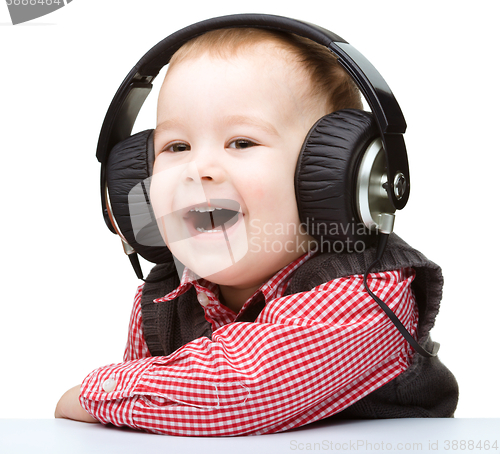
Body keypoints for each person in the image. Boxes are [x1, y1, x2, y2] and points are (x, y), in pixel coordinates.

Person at [55, 26, 458, 436]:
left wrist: (93, 393)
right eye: (176, 147)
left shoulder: (367, 293)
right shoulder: (162, 300)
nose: (200, 169)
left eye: (242, 142)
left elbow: (235, 391)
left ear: (338, 178)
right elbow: (143, 419)